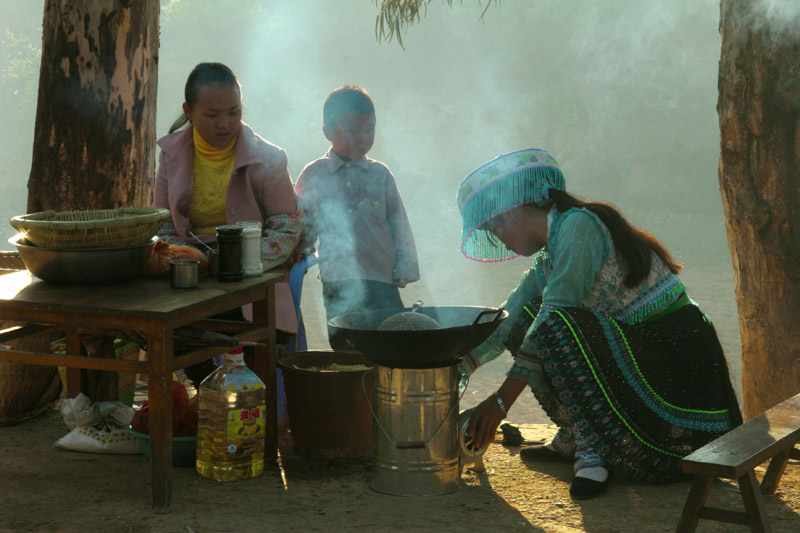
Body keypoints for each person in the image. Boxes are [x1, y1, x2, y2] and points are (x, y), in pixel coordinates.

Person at [458, 148, 742, 499]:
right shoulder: (549, 256)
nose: (498, 235)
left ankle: (595, 448)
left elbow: (554, 317)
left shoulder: (579, 226)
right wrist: (459, 368)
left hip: (675, 354)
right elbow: (506, 319)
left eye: (496, 224)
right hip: (636, 349)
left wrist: (500, 403)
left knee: (556, 323)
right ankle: (579, 431)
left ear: (516, 209)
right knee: (527, 317)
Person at [152, 62, 302, 384]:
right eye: (212, 115)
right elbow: (162, 225)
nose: (225, 124)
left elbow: (287, 225)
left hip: (253, 276)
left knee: (249, 345)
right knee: (164, 330)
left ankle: (245, 409)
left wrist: (247, 263)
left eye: (234, 112)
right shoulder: (170, 155)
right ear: (188, 111)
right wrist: (186, 261)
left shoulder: (269, 158)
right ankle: (208, 399)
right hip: (195, 271)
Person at [294, 84, 419, 349]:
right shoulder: (314, 175)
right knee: (347, 346)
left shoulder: (380, 175)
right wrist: (298, 256)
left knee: (390, 344)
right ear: (328, 131)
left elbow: (399, 223)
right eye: (353, 130)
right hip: (338, 280)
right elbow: (302, 225)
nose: (363, 138)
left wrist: (405, 266)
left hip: (381, 279)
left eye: (369, 129)